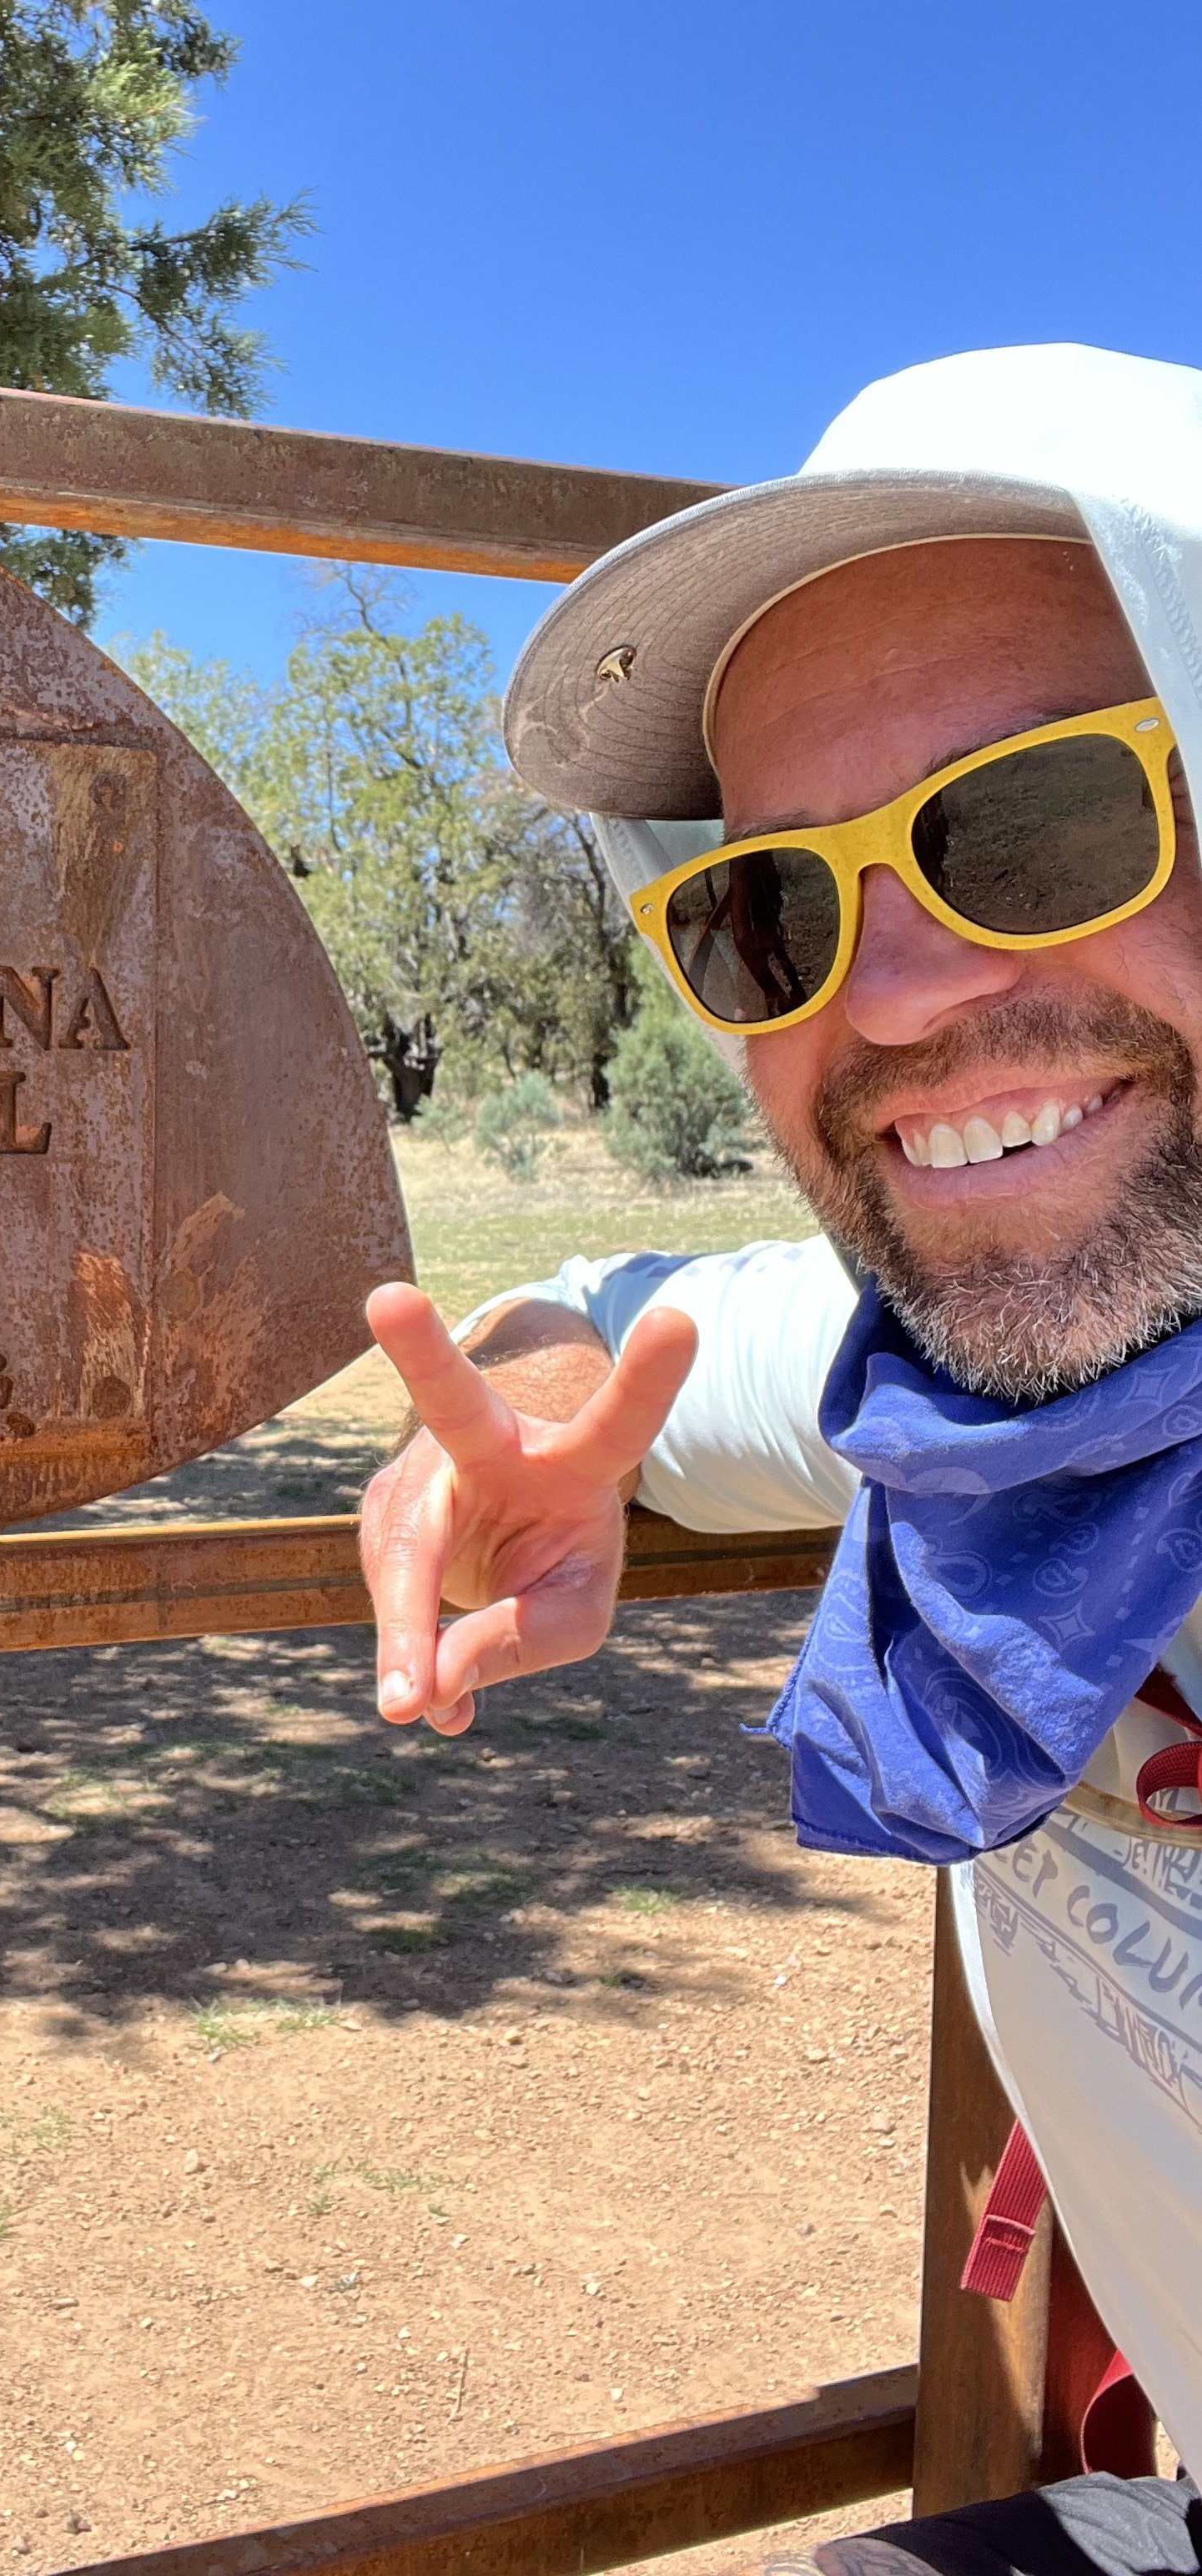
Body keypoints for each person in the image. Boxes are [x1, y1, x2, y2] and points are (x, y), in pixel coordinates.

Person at [360, 345, 1202, 2576]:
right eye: (773, 914)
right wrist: (523, 1414)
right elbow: (634, 1321)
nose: (896, 996)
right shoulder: (976, 1393)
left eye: (1035, 824)